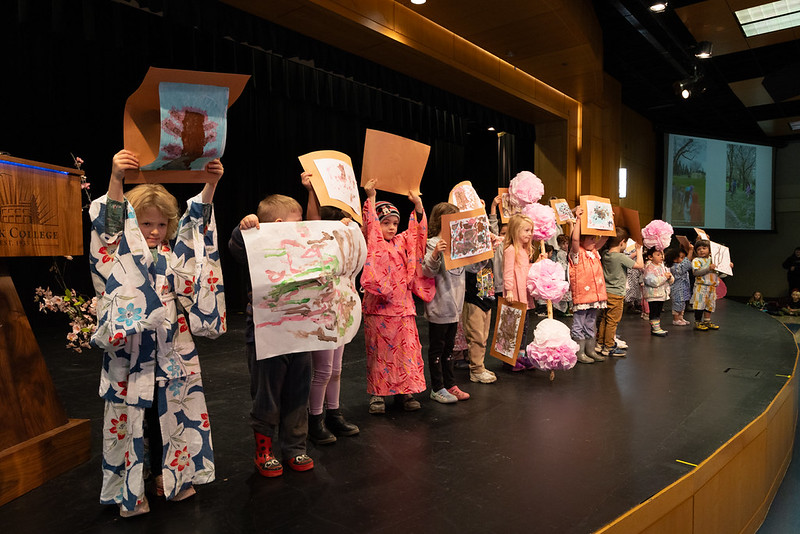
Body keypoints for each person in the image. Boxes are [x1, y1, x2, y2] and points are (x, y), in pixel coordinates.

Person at [89, 150, 226, 517]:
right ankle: (131, 490)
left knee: (171, 416)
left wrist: (210, 184)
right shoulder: (119, 250)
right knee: (134, 418)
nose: (153, 231)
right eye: (146, 224)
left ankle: (172, 478)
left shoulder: (173, 256)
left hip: (171, 347)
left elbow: (197, 230)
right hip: (129, 349)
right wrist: (116, 179)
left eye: (160, 225)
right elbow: (108, 230)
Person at [228, 181, 317, 478]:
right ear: (279, 224)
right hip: (266, 338)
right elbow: (236, 248)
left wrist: (340, 229)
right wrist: (246, 228)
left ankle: (294, 447)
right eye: (297, 221)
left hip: (300, 335)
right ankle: (264, 450)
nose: (302, 227)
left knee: (298, 393)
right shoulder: (256, 245)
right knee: (267, 395)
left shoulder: (301, 249)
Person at [360, 179, 430, 414]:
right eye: (385, 222)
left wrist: (418, 206)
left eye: (394, 223)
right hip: (378, 309)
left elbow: (417, 234)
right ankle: (378, 395)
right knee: (380, 353)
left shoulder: (401, 243)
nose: (391, 227)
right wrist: (371, 197)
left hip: (403, 308)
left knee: (406, 353)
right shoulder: (373, 243)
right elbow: (370, 228)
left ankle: (406, 392)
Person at [304, 194, 362, 445]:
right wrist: (310, 192)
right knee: (324, 370)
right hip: (321, 313)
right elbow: (312, 222)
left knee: (336, 369)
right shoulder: (317, 247)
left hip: (341, 311)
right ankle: (314, 420)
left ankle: (334, 413)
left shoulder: (345, 255)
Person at [421, 202, 471, 403]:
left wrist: (485, 251)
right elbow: (427, 271)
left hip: (455, 306)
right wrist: (435, 254)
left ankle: (450, 384)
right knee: (437, 348)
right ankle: (437, 387)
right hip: (440, 305)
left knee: (449, 349)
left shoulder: (460, 242)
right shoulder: (433, 242)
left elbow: (474, 268)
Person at [569, 206, 608, 364]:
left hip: (595, 295)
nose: (594, 241)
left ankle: (590, 350)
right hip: (582, 295)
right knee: (579, 323)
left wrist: (607, 221)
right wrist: (578, 219)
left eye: (594, 238)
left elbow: (604, 238)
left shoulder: (594, 252)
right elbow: (575, 240)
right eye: (591, 238)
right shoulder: (577, 254)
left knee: (590, 323)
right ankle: (579, 352)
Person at [597, 227, 643, 356]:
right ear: (622, 242)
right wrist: (639, 250)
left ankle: (601, 344)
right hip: (616, 294)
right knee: (612, 321)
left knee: (605, 319)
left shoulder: (605, 253)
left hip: (606, 292)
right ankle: (609, 347)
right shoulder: (620, 257)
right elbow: (639, 265)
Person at [503, 213, 537, 370]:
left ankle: (521, 355)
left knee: (524, 327)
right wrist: (509, 290)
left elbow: (526, 270)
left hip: (524, 294)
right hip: (515, 295)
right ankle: (510, 358)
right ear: (516, 231)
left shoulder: (524, 250)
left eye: (530, 230)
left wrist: (538, 263)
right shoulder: (511, 250)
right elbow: (508, 272)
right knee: (513, 328)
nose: (529, 234)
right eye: (526, 230)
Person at [691, 238, 731, 330]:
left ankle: (707, 321)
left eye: (704, 248)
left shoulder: (714, 260)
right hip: (701, 286)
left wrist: (727, 267)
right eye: (699, 249)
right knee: (699, 305)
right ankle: (697, 322)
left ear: (709, 250)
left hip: (712, 287)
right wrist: (708, 268)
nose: (701, 250)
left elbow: (721, 273)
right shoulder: (697, 260)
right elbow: (696, 272)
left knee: (710, 305)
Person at [643, 247, 673, 336]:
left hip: (661, 294)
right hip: (653, 295)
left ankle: (657, 327)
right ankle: (655, 328)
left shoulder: (662, 266)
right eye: (658, 255)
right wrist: (665, 277)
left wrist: (670, 277)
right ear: (650, 257)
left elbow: (669, 279)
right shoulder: (649, 268)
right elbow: (652, 281)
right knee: (654, 311)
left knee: (658, 311)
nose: (661, 257)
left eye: (662, 254)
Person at [667, 243, 694, 325]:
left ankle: (681, 318)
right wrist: (690, 251)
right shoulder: (675, 267)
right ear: (675, 259)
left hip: (683, 288)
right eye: (682, 257)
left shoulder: (679, 265)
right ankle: (676, 319)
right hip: (677, 289)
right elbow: (686, 264)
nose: (684, 259)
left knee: (682, 304)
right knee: (677, 303)